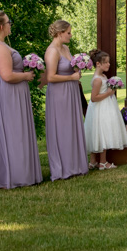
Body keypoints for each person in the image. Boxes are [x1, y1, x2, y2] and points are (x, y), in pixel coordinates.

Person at [0, 10, 42, 189]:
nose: (10, 25)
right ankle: (17, 175)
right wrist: (26, 76)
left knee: (13, 131)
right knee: (13, 131)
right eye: (8, 22)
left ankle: (19, 172)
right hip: (7, 93)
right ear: (1, 26)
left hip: (4, 91)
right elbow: (7, 75)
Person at [44, 20, 89, 181]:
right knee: (62, 127)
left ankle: (75, 165)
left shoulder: (66, 48)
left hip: (71, 91)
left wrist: (78, 68)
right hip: (59, 94)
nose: (70, 35)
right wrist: (71, 76)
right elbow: (50, 77)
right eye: (68, 32)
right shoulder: (52, 51)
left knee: (72, 127)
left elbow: (71, 68)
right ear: (59, 33)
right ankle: (63, 168)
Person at [83, 49, 127, 170]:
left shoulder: (103, 76)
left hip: (103, 107)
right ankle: (103, 162)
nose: (109, 64)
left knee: (98, 132)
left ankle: (93, 161)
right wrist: (109, 93)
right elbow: (93, 98)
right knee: (102, 132)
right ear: (98, 64)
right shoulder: (98, 79)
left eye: (109, 62)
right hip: (100, 108)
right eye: (106, 62)